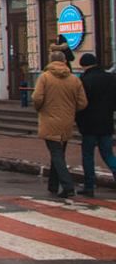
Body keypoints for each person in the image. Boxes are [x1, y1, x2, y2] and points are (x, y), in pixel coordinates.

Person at [33, 51, 87, 198]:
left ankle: (68, 186)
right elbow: (82, 103)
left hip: (49, 119)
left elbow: (37, 98)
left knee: (56, 154)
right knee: (58, 153)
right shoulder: (74, 79)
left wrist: (40, 109)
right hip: (67, 121)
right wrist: (70, 110)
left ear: (50, 60)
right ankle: (53, 185)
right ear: (64, 61)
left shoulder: (45, 77)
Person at [75, 52, 116, 197]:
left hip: (89, 124)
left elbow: (80, 103)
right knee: (108, 154)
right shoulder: (110, 78)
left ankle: (89, 186)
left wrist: (78, 120)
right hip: (106, 122)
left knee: (88, 155)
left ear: (84, 65)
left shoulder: (84, 80)